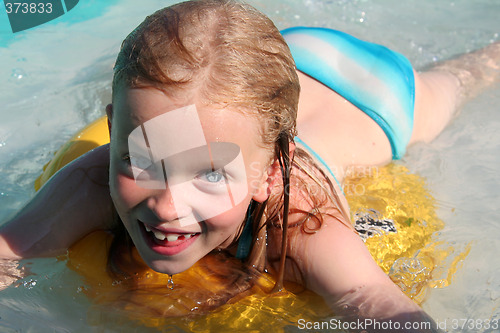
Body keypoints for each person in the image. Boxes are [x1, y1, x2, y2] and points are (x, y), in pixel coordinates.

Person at [0, 0, 499, 330]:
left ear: (269, 174)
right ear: (114, 134)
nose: (167, 205)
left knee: (465, 76)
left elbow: (377, 304)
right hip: (239, 78)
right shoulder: (93, 179)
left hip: (367, 96)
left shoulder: (303, 223)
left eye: (210, 174)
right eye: (143, 158)